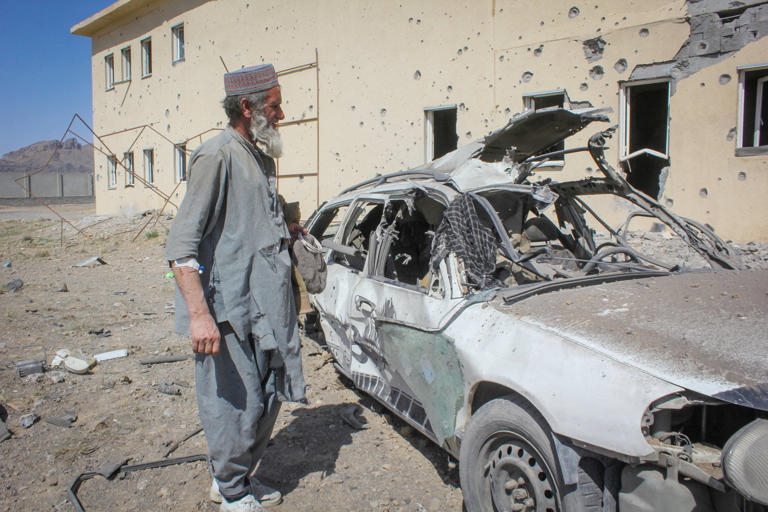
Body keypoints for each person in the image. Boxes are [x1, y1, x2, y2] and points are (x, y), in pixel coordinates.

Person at [165, 63, 307, 512]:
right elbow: (181, 246)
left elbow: (252, 215)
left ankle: (237, 479)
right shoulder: (217, 156)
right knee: (232, 404)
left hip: (267, 305)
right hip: (228, 310)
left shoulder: (259, 156)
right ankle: (230, 492)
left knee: (267, 395)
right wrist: (199, 315)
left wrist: (286, 224)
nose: (281, 114)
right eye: (275, 106)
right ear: (247, 107)